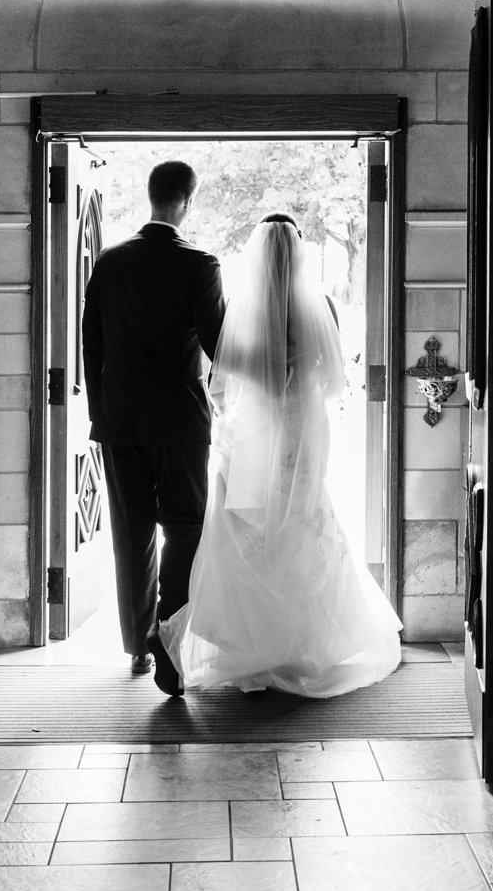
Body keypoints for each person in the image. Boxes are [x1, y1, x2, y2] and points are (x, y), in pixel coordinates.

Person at [159, 214, 403, 698]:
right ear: (299, 255)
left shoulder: (240, 313)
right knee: (304, 521)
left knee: (246, 530)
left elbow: (224, 378)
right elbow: (332, 382)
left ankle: (244, 643)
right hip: (303, 432)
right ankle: (303, 646)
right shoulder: (323, 306)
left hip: (252, 436)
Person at [81, 161, 226, 696]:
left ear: (151, 197)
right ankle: (171, 639)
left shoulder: (112, 262)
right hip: (182, 423)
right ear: (187, 202)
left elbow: (90, 344)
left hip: (120, 423)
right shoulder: (200, 264)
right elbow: (220, 347)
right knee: (185, 529)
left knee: (132, 532)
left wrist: (104, 411)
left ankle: (139, 646)